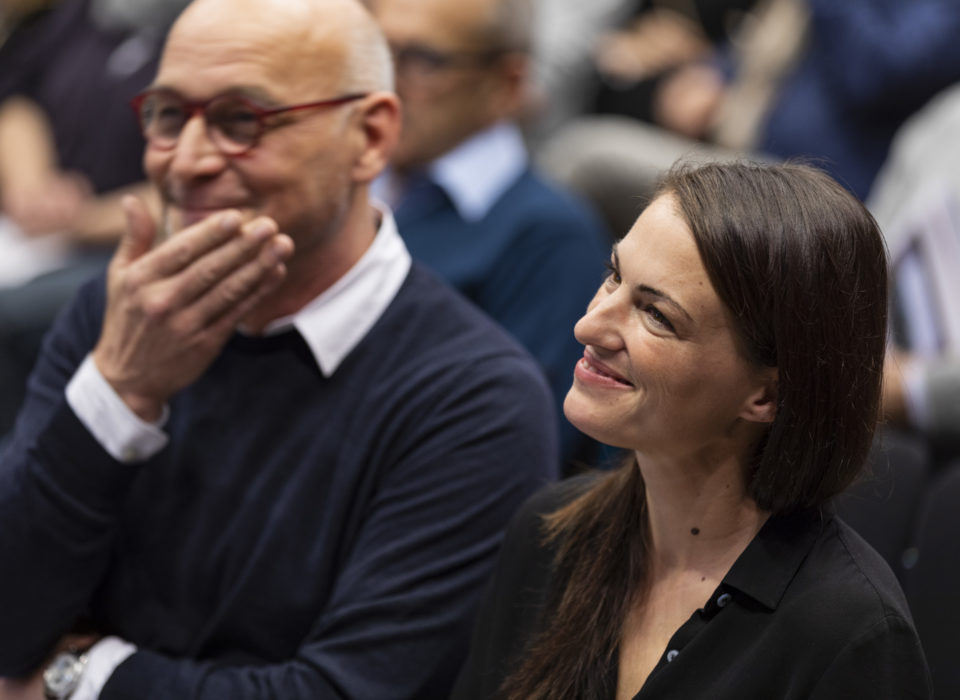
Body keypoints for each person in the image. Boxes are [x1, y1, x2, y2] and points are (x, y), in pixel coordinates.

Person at [0, 0, 558, 698]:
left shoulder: (476, 401)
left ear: (371, 135)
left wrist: (75, 677)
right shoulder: (122, 318)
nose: (190, 162)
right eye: (169, 115)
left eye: (243, 122)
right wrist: (120, 393)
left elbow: (339, 692)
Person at [452, 161, 932, 699]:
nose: (589, 325)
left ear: (767, 395)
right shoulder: (547, 536)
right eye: (613, 275)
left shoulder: (848, 634)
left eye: (656, 314)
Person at [370, 0, 609, 470]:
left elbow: (511, 449)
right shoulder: (342, 184)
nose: (385, 82)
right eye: (376, 52)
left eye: (423, 61)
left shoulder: (549, 238)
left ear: (508, 83)